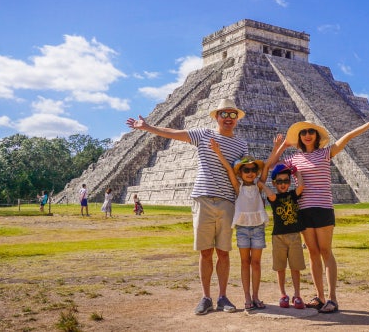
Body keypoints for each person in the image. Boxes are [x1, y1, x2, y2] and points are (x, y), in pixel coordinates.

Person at [126, 98, 248, 315]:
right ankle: (206, 297)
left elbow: (242, 175)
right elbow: (174, 133)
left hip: (228, 201)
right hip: (203, 198)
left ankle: (222, 296)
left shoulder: (241, 145)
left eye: (232, 115)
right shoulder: (203, 134)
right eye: (224, 114)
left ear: (237, 119)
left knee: (224, 252)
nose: (228, 118)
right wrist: (147, 127)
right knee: (205, 252)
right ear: (216, 116)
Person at [271, 111, 369, 314]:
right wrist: (283, 146)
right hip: (304, 210)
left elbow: (348, 137)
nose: (307, 135)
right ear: (299, 137)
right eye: (303, 132)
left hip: (324, 208)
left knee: (326, 251)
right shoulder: (294, 159)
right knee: (313, 253)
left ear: (317, 136)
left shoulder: (326, 152)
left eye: (311, 132)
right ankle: (319, 296)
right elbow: (274, 165)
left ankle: (333, 298)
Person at [211, 141, 269, 311]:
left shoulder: (259, 185)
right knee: (245, 262)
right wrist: (218, 152)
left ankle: (256, 296)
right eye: (246, 170)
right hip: (243, 229)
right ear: (241, 173)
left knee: (256, 263)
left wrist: (280, 147)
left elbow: (268, 166)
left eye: (253, 170)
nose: (250, 173)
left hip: (258, 228)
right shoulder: (238, 187)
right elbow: (229, 169)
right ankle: (247, 297)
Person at [266, 162, 306, 310]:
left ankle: (297, 294)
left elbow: (301, 186)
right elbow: (267, 192)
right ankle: (283, 294)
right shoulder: (274, 198)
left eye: (286, 181)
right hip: (278, 237)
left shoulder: (292, 195)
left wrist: (297, 173)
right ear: (274, 183)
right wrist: (260, 183)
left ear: (289, 182)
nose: (283, 184)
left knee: (295, 267)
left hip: (295, 235)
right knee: (280, 267)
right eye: (279, 181)